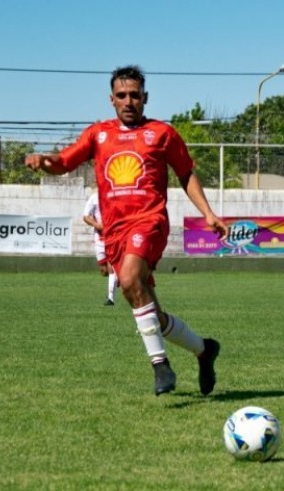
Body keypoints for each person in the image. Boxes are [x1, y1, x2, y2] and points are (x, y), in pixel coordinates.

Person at [25, 65, 228, 396]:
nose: (129, 101)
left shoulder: (162, 133)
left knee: (132, 280)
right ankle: (205, 350)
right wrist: (44, 160)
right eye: (122, 95)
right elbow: (63, 162)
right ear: (111, 99)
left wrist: (208, 213)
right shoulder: (98, 135)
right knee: (151, 312)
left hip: (149, 221)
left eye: (135, 95)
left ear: (145, 98)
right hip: (115, 232)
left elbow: (186, 173)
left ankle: (160, 366)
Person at [82, 191, 119, 306]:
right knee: (104, 271)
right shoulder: (94, 198)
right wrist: (97, 225)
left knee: (111, 267)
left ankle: (110, 298)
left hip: (114, 237)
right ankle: (117, 278)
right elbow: (85, 217)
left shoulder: (116, 196)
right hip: (99, 238)